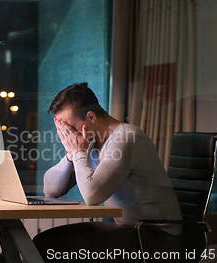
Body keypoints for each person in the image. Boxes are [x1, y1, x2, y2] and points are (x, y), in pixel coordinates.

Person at [33, 83, 182, 262]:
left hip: (156, 234)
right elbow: (50, 190)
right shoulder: (89, 141)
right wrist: (71, 154)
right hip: (126, 227)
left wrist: (78, 151)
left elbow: (93, 196)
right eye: (63, 131)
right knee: (44, 243)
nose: (68, 135)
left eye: (70, 128)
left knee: (72, 250)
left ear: (91, 117)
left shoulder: (126, 137)